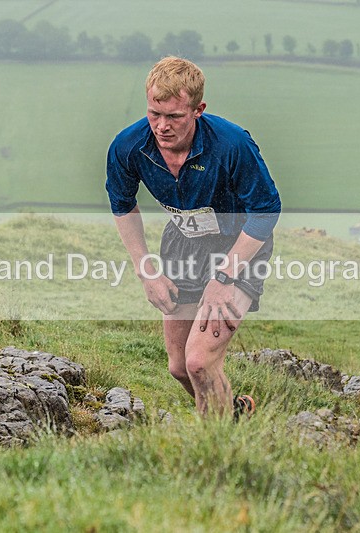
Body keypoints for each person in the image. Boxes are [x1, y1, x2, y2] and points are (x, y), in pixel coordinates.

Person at [105, 56, 281, 417]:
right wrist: (147, 272)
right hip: (182, 244)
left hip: (240, 245)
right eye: (155, 113)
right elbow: (123, 206)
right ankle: (231, 416)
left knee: (199, 361)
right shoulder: (128, 147)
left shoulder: (232, 144)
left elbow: (266, 212)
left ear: (198, 109)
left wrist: (224, 277)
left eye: (174, 116)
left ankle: (214, 449)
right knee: (180, 367)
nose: (161, 126)